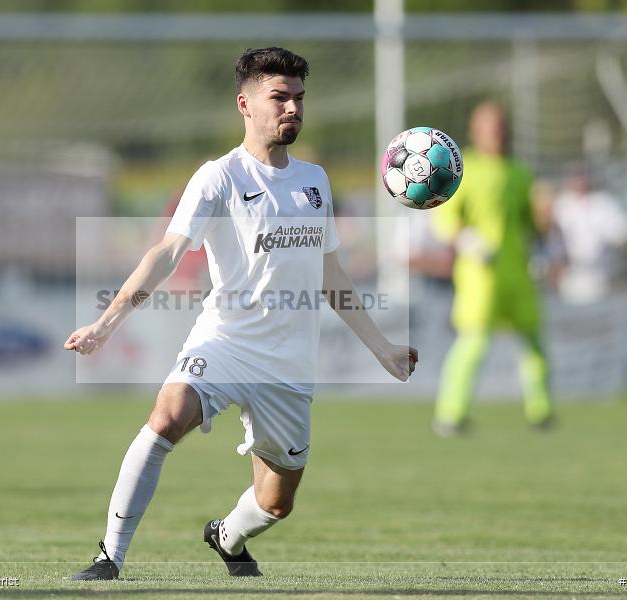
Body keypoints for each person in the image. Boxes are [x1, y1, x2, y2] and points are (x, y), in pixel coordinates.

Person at [64, 47, 418, 580]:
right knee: (165, 418)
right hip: (225, 344)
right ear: (245, 104)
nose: (293, 109)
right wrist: (105, 322)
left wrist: (383, 347)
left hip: (289, 366)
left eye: (299, 98)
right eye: (280, 97)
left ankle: (228, 536)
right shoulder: (218, 177)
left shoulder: (315, 182)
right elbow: (166, 252)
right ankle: (109, 555)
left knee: (276, 503)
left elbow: (331, 277)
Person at [430, 102, 553, 436]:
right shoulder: (463, 170)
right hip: (479, 275)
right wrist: (469, 241)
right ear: (476, 131)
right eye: (489, 126)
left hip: (518, 272)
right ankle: (450, 414)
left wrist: (545, 218)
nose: (496, 132)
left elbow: (534, 225)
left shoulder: (519, 172)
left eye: (500, 125)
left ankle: (540, 411)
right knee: (474, 343)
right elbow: (445, 220)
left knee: (533, 342)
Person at [553, 167, 627, 304]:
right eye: (576, 177)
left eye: (582, 176)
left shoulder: (604, 203)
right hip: (570, 280)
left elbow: (621, 235)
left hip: (602, 279)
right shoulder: (561, 205)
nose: (580, 181)